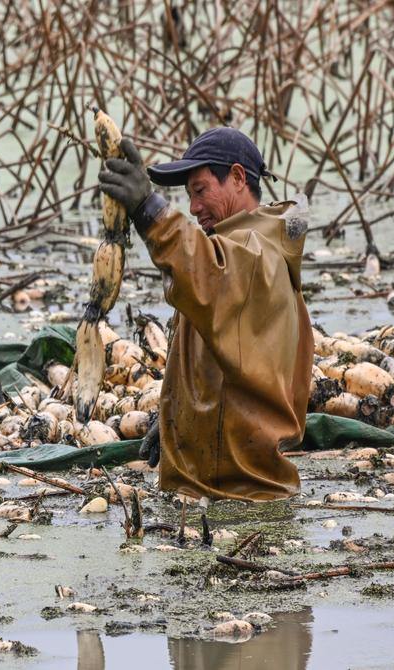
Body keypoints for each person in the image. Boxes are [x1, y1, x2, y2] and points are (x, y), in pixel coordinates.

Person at [98, 127, 312, 510]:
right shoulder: (241, 249)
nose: (194, 207)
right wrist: (173, 424)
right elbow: (221, 361)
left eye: (200, 191)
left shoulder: (255, 252)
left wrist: (150, 210)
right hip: (211, 492)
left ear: (237, 177)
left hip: (241, 498)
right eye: (188, 196)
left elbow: (204, 273)